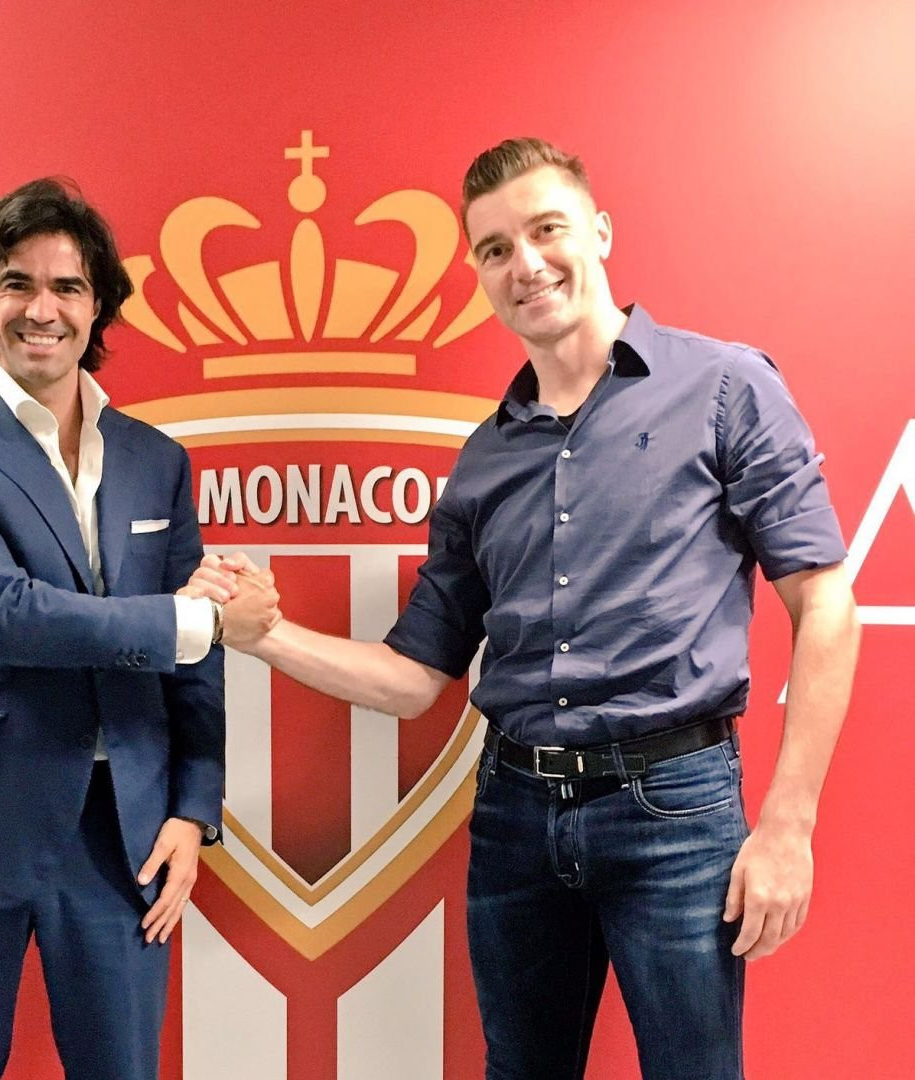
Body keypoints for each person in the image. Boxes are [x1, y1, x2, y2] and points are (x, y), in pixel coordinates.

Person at [189, 139, 859, 1079]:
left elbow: (825, 603)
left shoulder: (725, 388)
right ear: (478, 272)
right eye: (496, 249)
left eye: (547, 230)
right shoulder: (482, 463)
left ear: (600, 231)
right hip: (514, 813)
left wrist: (789, 825)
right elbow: (412, 680)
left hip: (673, 808)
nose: (525, 264)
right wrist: (265, 636)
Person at [0, 177, 279, 1080]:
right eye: (16, 284)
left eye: (67, 286)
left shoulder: (156, 459)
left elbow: (193, 665)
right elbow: (4, 616)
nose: (41, 309)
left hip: (122, 829)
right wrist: (200, 618)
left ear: (98, 306)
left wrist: (192, 807)